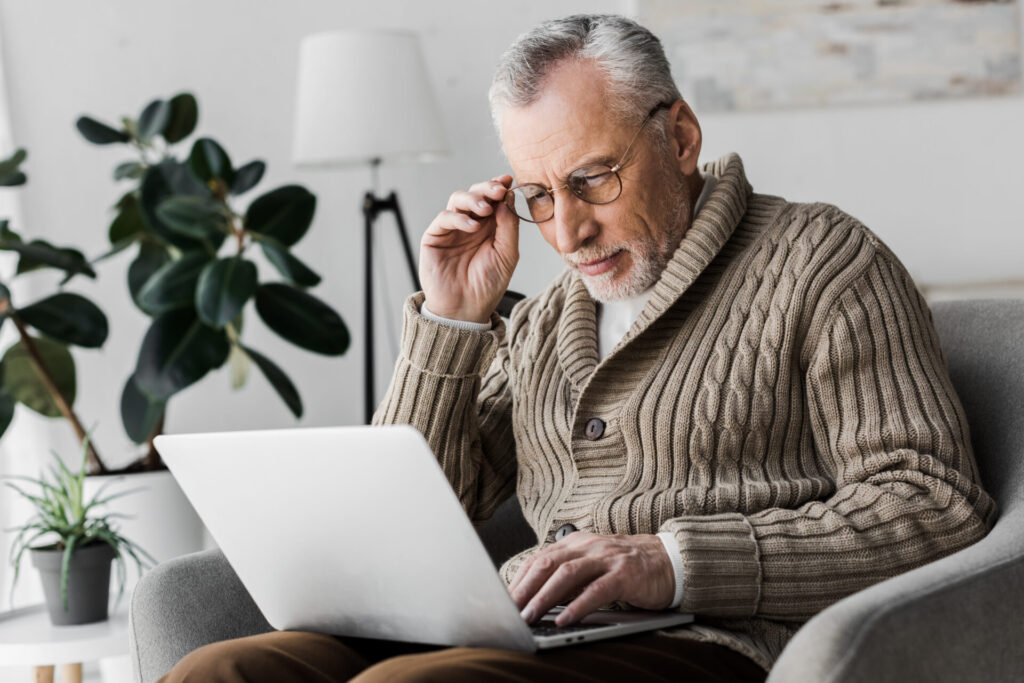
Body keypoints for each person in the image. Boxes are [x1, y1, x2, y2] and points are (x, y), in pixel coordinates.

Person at [163, 13, 997, 683]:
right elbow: (416, 514)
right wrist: (451, 322)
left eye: (594, 179)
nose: (567, 230)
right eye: (537, 195)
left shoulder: (823, 260)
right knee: (224, 668)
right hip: (521, 633)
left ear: (679, 137)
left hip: (713, 644)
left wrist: (672, 561)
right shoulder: (542, 317)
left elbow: (932, 502)